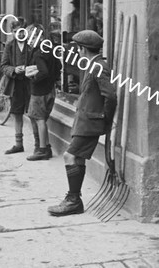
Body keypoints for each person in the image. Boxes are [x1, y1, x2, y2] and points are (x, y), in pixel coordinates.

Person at [47, 30, 116, 216]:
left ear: (83, 49)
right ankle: (74, 200)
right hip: (86, 121)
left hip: (90, 122)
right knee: (77, 158)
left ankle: (73, 199)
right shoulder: (91, 65)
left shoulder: (98, 66)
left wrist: (105, 120)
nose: (77, 52)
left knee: (69, 156)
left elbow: (110, 96)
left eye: (78, 48)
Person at [25, 24, 62, 161]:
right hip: (50, 90)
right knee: (40, 118)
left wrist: (33, 78)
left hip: (39, 92)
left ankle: (42, 149)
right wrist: (54, 80)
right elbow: (59, 66)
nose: (29, 40)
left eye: (30, 37)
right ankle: (45, 147)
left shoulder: (38, 53)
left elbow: (44, 71)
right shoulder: (49, 49)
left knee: (39, 119)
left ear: (36, 37)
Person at [0, 18, 33, 154]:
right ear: (12, 32)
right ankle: (19, 143)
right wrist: (13, 70)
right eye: (16, 31)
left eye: (22, 31)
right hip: (16, 84)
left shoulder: (31, 45)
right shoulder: (10, 46)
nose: (19, 34)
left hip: (30, 83)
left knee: (33, 113)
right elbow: (3, 65)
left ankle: (39, 144)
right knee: (17, 113)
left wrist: (30, 70)